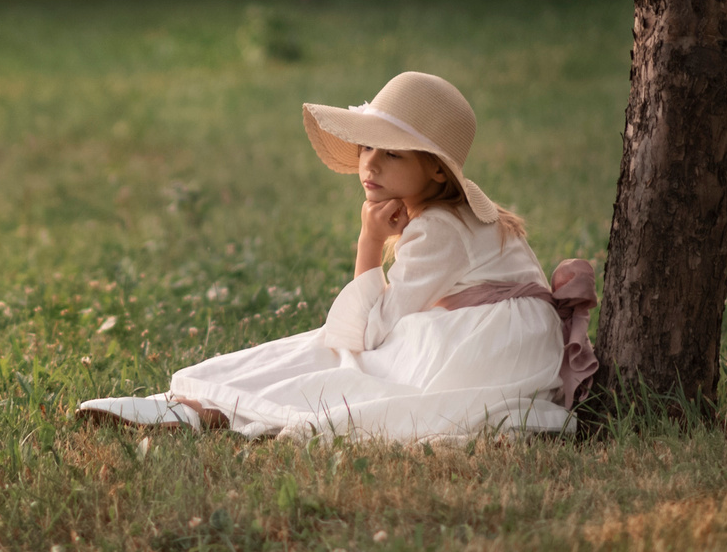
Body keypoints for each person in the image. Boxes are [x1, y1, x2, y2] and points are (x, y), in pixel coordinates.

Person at [74, 71, 596, 442]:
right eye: (368, 149)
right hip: (512, 345)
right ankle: (194, 407)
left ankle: (201, 408)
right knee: (334, 352)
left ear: (438, 172)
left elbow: (366, 331)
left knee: (338, 359)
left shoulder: (436, 229)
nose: (370, 165)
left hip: (477, 354)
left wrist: (369, 242)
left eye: (392, 153)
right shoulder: (470, 220)